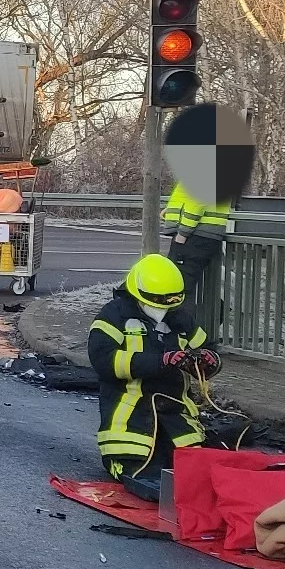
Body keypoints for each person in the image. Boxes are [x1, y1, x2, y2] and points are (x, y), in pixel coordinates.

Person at [88, 254, 218, 501]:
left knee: (198, 475)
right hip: (129, 425)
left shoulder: (179, 320)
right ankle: (124, 467)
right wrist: (161, 362)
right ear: (138, 293)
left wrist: (208, 361)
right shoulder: (113, 317)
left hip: (176, 418)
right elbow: (104, 361)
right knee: (141, 474)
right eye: (158, 301)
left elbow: (207, 349)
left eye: (170, 301)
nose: (163, 307)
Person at [161, 184, 233, 308]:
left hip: (194, 235)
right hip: (202, 234)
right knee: (180, 286)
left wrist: (182, 234)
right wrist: (174, 211)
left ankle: (184, 326)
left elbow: (197, 202)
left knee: (178, 288)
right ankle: (196, 322)